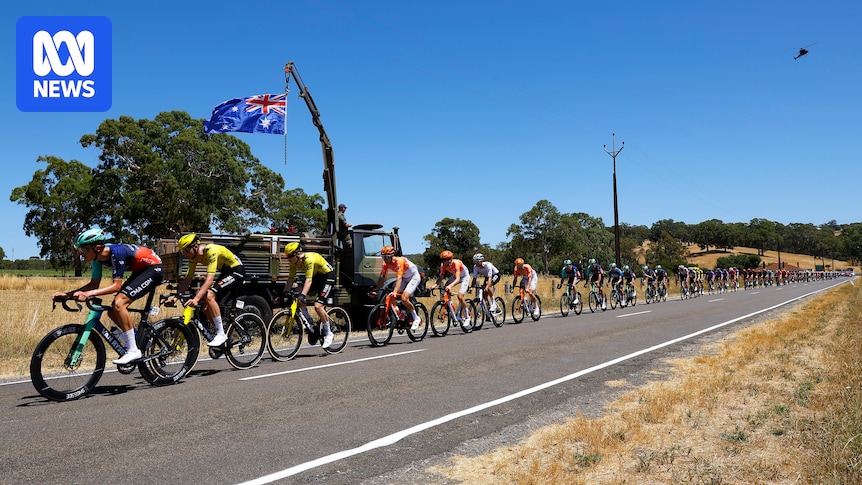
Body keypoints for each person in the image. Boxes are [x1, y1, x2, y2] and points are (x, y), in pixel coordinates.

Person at [53, 228, 164, 365]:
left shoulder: (117, 252)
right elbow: (94, 284)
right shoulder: (97, 258)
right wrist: (67, 295)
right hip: (140, 270)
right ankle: (139, 342)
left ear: (97, 247)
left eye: (84, 250)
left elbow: (116, 286)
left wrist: (88, 294)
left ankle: (133, 350)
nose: (81, 254)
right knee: (113, 310)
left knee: (119, 303)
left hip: (154, 269)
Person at [174, 233, 245, 348]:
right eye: (182, 251)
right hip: (225, 272)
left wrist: (196, 298)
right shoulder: (193, 259)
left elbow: (209, 279)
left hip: (236, 270)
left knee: (209, 295)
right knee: (206, 308)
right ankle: (225, 334)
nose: (184, 254)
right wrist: (177, 296)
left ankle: (221, 334)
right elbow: (188, 279)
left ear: (195, 247)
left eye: (186, 250)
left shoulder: (211, 251)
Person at [283, 242, 337, 349]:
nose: (288, 259)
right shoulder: (293, 263)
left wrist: (303, 295)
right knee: (297, 294)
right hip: (317, 276)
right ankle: (309, 321)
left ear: (298, 254)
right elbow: (290, 280)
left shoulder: (309, 260)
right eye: (287, 256)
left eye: (290, 256)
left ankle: (328, 333)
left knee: (318, 306)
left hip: (327, 276)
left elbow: (308, 280)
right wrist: (284, 292)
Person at [372, 245, 422, 330]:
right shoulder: (385, 264)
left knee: (404, 298)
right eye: (383, 257)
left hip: (413, 277)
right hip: (404, 278)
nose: (385, 258)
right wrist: (377, 290)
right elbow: (381, 278)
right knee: (390, 295)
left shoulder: (399, 261)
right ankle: (400, 314)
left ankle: (416, 318)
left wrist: (395, 291)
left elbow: (399, 278)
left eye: (386, 256)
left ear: (391, 256)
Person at [434, 250, 472, 326]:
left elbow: (458, 279)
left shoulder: (456, 263)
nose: (442, 262)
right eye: (442, 260)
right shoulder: (443, 265)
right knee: (445, 287)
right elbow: (441, 277)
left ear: (449, 260)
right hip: (455, 276)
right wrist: (434, 285)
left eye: (444, 260)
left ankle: (467, 317)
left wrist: (450, 286)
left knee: (460, 296)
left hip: (464, 277)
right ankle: (450, 304)